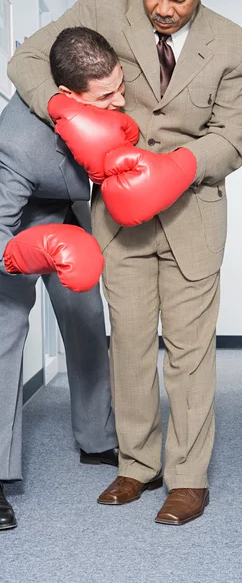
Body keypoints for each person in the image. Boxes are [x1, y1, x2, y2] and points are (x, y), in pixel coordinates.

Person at [8, 0, 242, 526]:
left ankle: (189, 479)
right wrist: (61, 109)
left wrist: (182, 166)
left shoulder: (235, 45)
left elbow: (234, 133)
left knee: (189, 351)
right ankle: (137, 463)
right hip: (119, 220)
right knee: (130, 345)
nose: (164, 9)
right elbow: (26, 59)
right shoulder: (104, 3)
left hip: (193, 213)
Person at [0, 27, 134, 531]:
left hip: (66, 210)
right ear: (66, 97)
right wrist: (27, 253)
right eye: (106, 96)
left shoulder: (106, 92)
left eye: (119, 85)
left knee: (84, 316)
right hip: (15, 223)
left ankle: (97, 439)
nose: (120, 100)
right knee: (5, 330)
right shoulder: (15, 145)